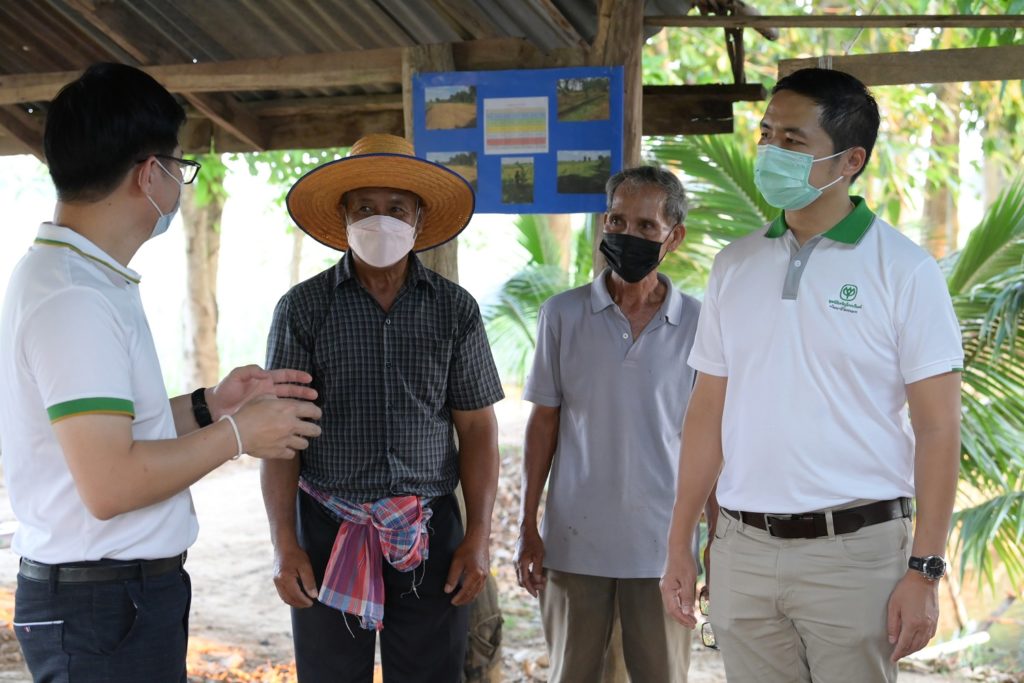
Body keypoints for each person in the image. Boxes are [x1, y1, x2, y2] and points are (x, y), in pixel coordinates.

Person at [0, 62, 322, 683]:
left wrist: (211, 405)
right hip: (101, 605)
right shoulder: (72, 297)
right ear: (150, 174)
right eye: (179, 167)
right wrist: (238, 437)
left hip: (115, 597)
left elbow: (111, 433)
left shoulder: (84, 278)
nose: (181, 183)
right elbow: (111, 484)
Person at [660, 67, 963, 683]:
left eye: (792, 141)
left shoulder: (905, 271)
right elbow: (707, 411)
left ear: (849, 160)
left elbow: (938, 429)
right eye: (766, 134)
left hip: (857, 556)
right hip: (743, 550)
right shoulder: (734, 265)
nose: (770, 151)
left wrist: (924, 569)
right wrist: (679, 544)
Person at [262, 133, 504, 683]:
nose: (381, 221)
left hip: (430, 528)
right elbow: (281, 438)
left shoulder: (454, 310)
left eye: (396, 209)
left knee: (430, 674)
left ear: (418, 220)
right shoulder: (303, 309)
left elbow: (478, 429)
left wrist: (477, 537)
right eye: (365, 208)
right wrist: (285, 545)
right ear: (343, 216)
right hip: (327, 526)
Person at [516, 165, 698, 683]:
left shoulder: (700, 325)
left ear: (674, 237)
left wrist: (711, 538)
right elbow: (543, 424)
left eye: (646, 226)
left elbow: (711, 440)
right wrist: (529, 525)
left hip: (664, 548)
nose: (627, 236)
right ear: (603, 224)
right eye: (617, 221)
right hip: (575, 546)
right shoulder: (562, 315)